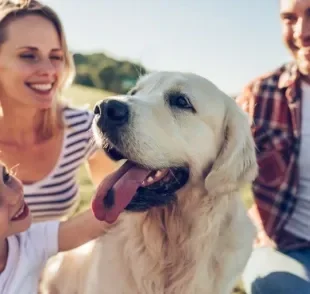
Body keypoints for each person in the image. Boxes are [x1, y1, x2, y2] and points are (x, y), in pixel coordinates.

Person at [0, 0, 116, 222]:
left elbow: (115, 208)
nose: (48, 70)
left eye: (55, 56)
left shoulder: (83, 128)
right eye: (28, 55)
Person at [236, 0, 310, 293]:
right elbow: (207, 167)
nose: (302, 32)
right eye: (290, 18)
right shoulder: (260, 95)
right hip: (283, 248)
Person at [0, 160, 113, 294]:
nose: (15, 195)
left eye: (6, 177)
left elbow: (94, 223)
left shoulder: (28, 242)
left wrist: (130, 182)